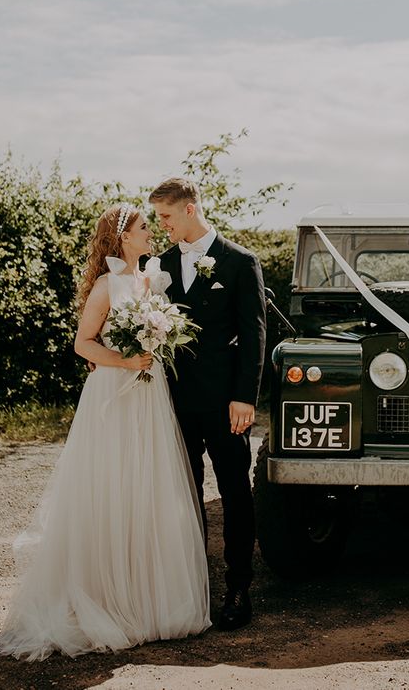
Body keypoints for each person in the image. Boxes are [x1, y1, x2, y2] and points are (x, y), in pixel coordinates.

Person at [0, 203, 210, 661]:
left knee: (145, 491)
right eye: (145, 227)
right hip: (113, 393)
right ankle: (103, 598)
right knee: (109, 487)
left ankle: (147, 601)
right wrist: (127, 359)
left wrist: (156, 343)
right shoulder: (107, 285)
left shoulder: (153, 279)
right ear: (124, 236)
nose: (152, 232)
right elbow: (83, 343)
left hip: (149, 396)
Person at [150, 178, 266, 631]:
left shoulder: (240, 262)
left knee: (235, 493)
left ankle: (239, 587)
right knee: (184, 494)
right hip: (174, 402)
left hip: (225, 403)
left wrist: (245, 397)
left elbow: (255, 334)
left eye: (166, 216)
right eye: (158, 218)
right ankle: (192, 586)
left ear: (191, 210)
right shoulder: (157, 265)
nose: (161, 225)